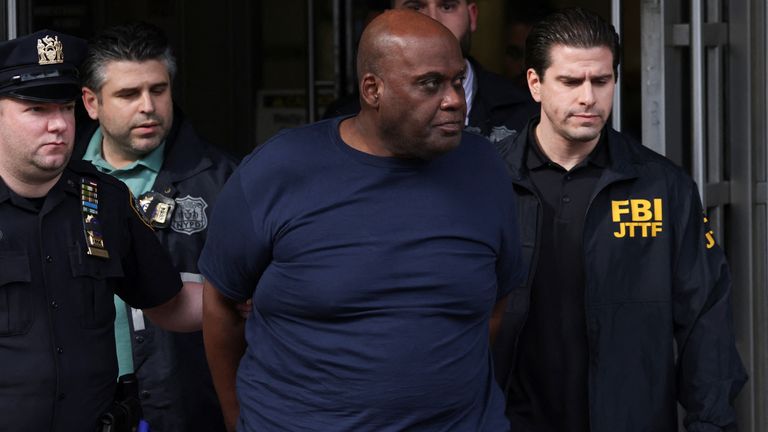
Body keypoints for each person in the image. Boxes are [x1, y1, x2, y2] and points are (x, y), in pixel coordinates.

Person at [201, 9, 524, 432]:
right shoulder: (278, 170)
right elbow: (221, 304)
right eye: (430, 84)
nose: (455, 100)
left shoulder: (485, 168)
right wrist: (236, 419)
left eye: (457, 80)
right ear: (373, 89)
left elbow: (495, 307)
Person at [493, 8, 747, 432]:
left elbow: (706, 319)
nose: (588, 97)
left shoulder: (663, 186)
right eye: (571, 81)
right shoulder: (490, 181)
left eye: (601, 80)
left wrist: (711, 424)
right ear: (535, 84)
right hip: (510, 421)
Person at [0, 29, 202, 432]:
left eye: (65, 108)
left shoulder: (105, 200)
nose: (57, 125)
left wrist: (258, 297)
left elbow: (170, 303)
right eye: (37, 110)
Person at [72, 22, 236, 432]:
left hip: (190, 407)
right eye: (128, 94)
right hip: (85, 405)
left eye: (158, 90)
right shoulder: (59, 181)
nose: (148, 106)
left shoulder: (226, 182)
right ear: (91, 102)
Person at [324, 0, 538, 145]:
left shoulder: (528, 114)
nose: (432, 20)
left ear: (472, 16)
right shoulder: (345, 120)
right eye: (415, 7)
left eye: (447, 6)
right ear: (386, 19)